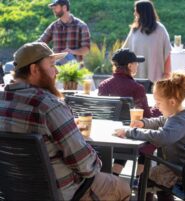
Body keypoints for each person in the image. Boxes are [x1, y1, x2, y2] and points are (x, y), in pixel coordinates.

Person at [0, 42, 131, 201]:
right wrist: (96, 160)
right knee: (122, 187)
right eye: (52, 65)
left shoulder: (3, 101)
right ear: (34, 69)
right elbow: (86, 166)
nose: (56, 71)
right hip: (61, 193)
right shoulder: (49, 107)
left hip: (12, 192)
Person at [115, 71, 185, 201]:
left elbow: (162, 136)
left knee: (146, 178)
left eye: (158, 103)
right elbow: (160, 121)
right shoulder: (178, 115)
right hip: (175, 166)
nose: (155, 106)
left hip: (179, 172)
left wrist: (130, 132)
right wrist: (143, 123)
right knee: (150, 177)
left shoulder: (181, 120)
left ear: (172, 102)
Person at [98, 48, 160, 185]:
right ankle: (139, 179)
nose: (137, 65)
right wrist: (158, 109)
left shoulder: (103, 85)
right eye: (136, 63)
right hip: (129, 137)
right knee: (152, 133)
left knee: (130, 130)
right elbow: (146, 117)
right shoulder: (137, 88)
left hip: (109, 135)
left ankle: (114, 175)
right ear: (130, 66)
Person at [123, 0, 172, 84]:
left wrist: (167, 75)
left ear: (143, 12)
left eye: (136, 10)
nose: (134, 13)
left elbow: (167, 53)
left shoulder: (160, 30)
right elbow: (124, 51)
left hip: (156, 80)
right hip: (136, 79)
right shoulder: (134, 30)